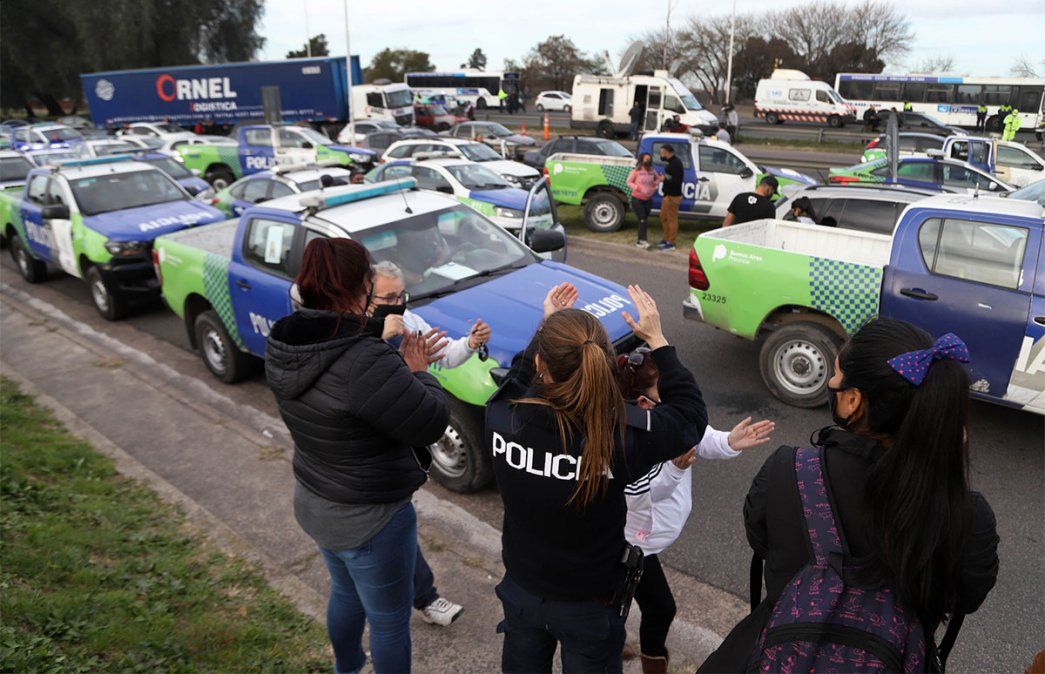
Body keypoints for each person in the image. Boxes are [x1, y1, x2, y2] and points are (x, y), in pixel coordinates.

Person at [700, 318, 999, 672]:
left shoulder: (788, 471)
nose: (830, 384)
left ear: (853, 401)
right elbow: (967, 596)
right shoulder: (968, 512)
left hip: (779, 654)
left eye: (836, 378)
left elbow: (762, 541)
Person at [488, 282, 708, 674]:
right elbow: (690, 416)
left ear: (541, 364)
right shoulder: (621, 438)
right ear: (605, 365)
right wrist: (657, 338)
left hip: (522, 589)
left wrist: (548, 324)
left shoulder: (504, 417)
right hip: (590, 603)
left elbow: (519, 377)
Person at [265, 238, 451, 674]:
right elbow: (430, 423)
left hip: (316, 499)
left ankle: (347, 667)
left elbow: (340, 358)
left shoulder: (287, 342)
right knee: (389, 622)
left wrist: (378, 344)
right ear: (358, 289)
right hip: (372, 517)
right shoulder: (364, 361)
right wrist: (419, 372)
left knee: (345, 594)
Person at [617, 349, 775, 674]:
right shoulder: (626, 436)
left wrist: (730, 441)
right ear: (642, 401)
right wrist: (675, 470)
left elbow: (699, 437)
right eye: (662, 388)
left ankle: (614, 640)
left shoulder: (668, 414)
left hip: (649, 540)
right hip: (631, 542)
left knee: (624, 599)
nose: (673, 393)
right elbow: (641, 494)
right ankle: (645, 663)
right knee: (657, 608)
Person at [626, 153, 663, 249]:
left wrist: (655, 186)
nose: (648, 160)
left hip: (648, 199)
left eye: (649, 159)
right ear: (641, 160)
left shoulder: (652, 171)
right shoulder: (636, 171)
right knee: (642, 219)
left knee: (644, 220)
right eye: (646, 159)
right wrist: (637, 188)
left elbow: (657, 180)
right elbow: (629, 182)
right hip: (637, 199)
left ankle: (641, 239)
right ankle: (642, 241)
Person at [657, 144, 684, 252]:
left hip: (673, 196)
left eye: (661, 152)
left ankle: (671, 242)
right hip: (667, 195)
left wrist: (664, 179)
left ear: (667, 152)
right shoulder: (670, 162)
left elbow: (677, 182)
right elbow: (670, 177)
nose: (660, 154)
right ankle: (666, 238)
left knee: (672, 219)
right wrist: (664, 179)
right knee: (663, 217)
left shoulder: (676, 164)